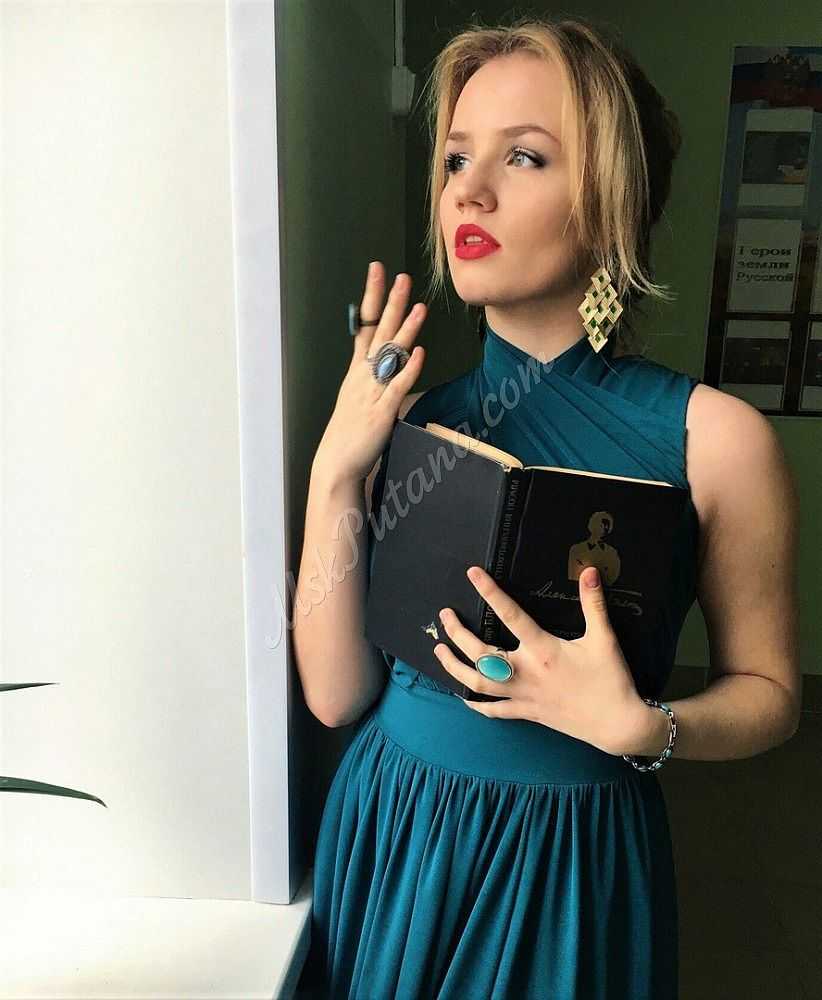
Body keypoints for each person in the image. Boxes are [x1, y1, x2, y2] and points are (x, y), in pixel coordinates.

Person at [293, 15, 801, 1000]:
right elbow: (335, 696)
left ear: (613, 198)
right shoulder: (411, 418)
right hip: (393, 826)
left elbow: (771, 694)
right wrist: (336, 469)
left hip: (566, 858)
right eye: (455, 158)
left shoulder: (716, 439)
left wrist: (646, 727)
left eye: (523, 156)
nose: (468, 191)